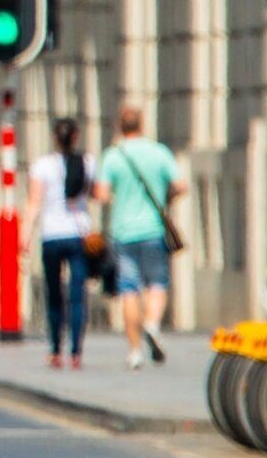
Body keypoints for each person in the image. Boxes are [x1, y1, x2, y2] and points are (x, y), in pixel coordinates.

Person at [96, 102, 186, 367]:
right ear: (142, 124)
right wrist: (164, 196)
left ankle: (134, 352)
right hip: (153, 229)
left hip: (123, 231)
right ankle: (153, 324)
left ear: (119, 126)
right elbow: (180, 185)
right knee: (157, 281)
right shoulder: (159, 153)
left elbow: (101, 193)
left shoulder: (113, 156)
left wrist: (120, 196)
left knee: (128, 288)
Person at [33, 116, 92, 369]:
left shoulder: (42, 166)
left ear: (54, 138)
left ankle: (55, 349)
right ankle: (76, 351)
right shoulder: (87, 163)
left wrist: (24, 237)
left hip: (51, 235)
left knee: (54, 294)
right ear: (76, 137)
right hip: (79, 234)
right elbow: (99, 193)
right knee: (78, 295)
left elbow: (34, 203)